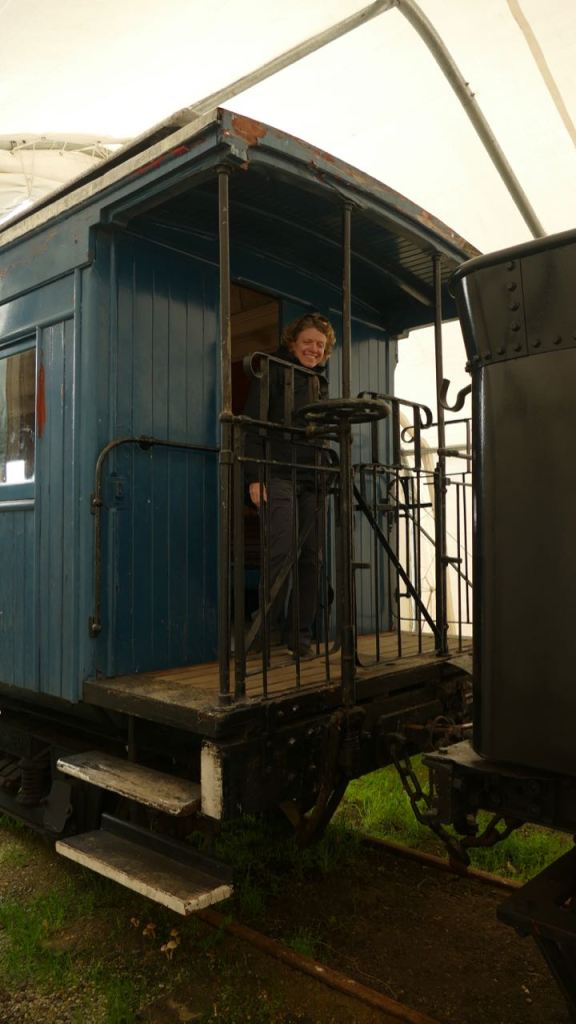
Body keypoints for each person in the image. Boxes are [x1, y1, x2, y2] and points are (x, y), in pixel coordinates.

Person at [244, 313, 336, 658]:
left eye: (320, 345)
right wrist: (255, 477)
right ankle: (263, 633)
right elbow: (252, 424)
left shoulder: (320, 382)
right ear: (293, 343)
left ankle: (300, 638)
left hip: (313, 477)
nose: (314, 349)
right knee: (281, 553)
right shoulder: (272, 370)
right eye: (308, 342)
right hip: (278, 472)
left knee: (312, 559)